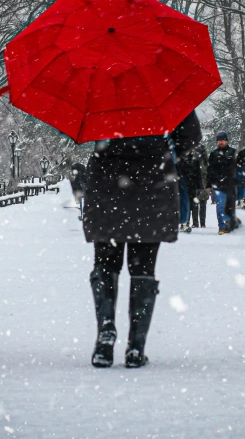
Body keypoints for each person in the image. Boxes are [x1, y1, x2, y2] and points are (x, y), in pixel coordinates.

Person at [83, 111, 201, 368]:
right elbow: (191, 135)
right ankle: (136, 347)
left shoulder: (100, 91)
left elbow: (77, 128)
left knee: (105, 264)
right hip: (151, 187)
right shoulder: (161, 91)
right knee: (143, 268)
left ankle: (105, 336)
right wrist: (164, 154)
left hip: (107, 186)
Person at [206, 131, 238, 235]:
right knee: (220, 206)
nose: (221, 142)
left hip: (229, 184)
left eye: (222, 140)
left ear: (226, 141)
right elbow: (209, 170)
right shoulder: (213, 154)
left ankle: (229, 225)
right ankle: (222, 226)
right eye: (219, 140)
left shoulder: (233, 152)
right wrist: (208, 185)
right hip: (217, 185)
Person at [180, 149, 203, 229]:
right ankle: (186, 223)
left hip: (191, 186)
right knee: (187, 205)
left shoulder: (194, 161)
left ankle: (193, 223)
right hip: (184, 185)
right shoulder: (181, 161)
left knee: (193, 204)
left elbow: (198, 174)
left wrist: (200, 186)